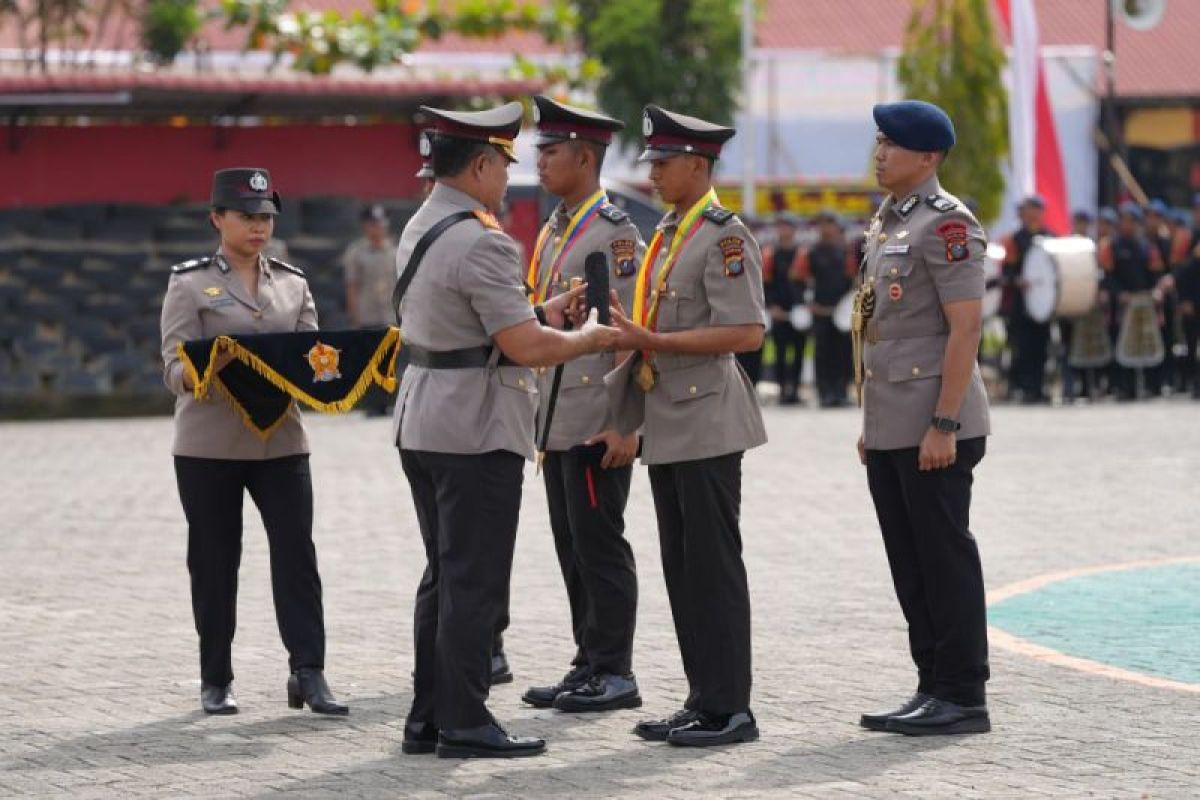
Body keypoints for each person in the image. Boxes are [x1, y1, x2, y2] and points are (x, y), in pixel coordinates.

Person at [392, 102, 618, 759]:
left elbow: (468, 318)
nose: (508, 179)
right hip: (476, 427)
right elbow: (524, 347)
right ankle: (465, 720)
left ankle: (428, 715)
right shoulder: (483, 239)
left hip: (427, 415)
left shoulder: (423, 224)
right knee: (474, 580)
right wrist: (584, 337)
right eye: (503, 166)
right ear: (483, 165)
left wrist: (539, 310)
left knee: (443, 573)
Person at [160, 168, 348, 717]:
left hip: (282, 442)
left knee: (297, 558)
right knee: (215, 562)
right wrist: (205, 367)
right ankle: (215, 678)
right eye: (246, 216)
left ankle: (309, 673)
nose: (258, 226)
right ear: (217, 218)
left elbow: (313, 356)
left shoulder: (292, 282)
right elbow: (172, 368)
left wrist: (343, 366)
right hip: (209, 444)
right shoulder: (189, 283)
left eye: (266, 216)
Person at [608, 104, 766, 748]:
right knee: (681, 567)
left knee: (713, 566)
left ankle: (732, 708)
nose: (652, 175)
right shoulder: (672, 231)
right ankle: (702, 697)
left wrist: (653, 339)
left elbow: (747, 331)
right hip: (668, 418)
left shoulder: (725, 236)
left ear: (698, 166)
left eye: (664, 164)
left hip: (705, 418)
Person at [854, 101, 992, 736]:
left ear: (928, 157)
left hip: (935, 424)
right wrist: (872, 422)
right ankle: (930, 683)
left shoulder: (947, 225)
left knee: (943, 557)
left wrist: (944, 423)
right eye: (879, 142)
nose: (880, 154)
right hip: (892, 420)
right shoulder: (888, 222)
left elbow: (965, 329)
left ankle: (963, 694)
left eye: (891, 144)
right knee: (908, 561)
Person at [519, 96, 645, 714]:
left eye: (551, 151)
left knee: (600, 543)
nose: (539, 161)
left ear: (585, 156)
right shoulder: (554, 227)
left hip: (597, 417)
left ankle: (615, 669)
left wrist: (627, 422)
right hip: (556, 416)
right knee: (571, 543)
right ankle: (588, 659)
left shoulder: (614, 235)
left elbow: (629, 330)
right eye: (539, 150)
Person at [1099, 202, 1163, 400]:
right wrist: (1119, 294)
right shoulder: (1112, 246)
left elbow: (1155, 274)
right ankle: (1122, 386)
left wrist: (1155, 292)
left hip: (1142, 303)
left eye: (1132, 221)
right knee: (1120, 342)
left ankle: (1148, 385)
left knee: (1144, 343)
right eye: (1124, 221)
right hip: (1121, 303)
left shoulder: (1146, 247)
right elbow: (1107, 276)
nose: (1128, 225)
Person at [999, 195, 1055, 403]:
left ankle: (1039, 387)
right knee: (1022, 346)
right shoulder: (1015, 239)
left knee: (1041, 345)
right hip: (1021, 303)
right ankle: (1023, 387)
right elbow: (1007, 273)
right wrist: (1018, 280)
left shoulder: (1049, 237)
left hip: (1043, 303)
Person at [805, 209, 855, 407]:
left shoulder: (846, 252)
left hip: (842, 312)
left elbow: (854, 280)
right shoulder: (810, 252)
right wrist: (808, 302)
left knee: (843, 353)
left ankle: (841, 392)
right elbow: (799, 279)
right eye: (822, 224)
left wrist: (848, 305)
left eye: (829, 224)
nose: (826, 228)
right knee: (822, 353)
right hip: (820, 311)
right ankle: (825, 392)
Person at [762, 212, 807, 404]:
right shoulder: (770, 254)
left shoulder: (802, 253)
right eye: (781, 226)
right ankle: (782, 390)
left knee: (798, 352)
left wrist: (804, 307)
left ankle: (795, 390)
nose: (784, 231)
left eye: (788, 227)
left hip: (798, 311)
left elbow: (807, 282)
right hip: (778, 310)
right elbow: (765, 284)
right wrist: (772, 307)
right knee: (780, 352)